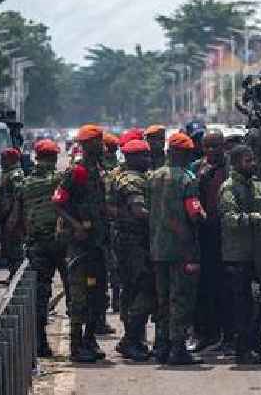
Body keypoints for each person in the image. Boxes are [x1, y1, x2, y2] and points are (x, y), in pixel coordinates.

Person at [146, 132, 205, 365]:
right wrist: (203, 216)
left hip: (158, 247)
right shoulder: (187, 180)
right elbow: (194, 213)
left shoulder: (154, 176)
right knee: (180, 299)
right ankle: (178, 349)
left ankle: (161, 346)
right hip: (182, 249)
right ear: (181, 153)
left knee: (162, 299)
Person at [53, 125, 108, 363]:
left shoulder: (98, 169)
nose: (101, 146)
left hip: (97, 242)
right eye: (97, 142)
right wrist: (75, 226)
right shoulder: (77, 172)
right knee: (79, 295)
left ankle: (89, 339)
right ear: (87, 145)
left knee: (97, 293)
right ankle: (76, 345)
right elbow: (58, 203)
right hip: (79, 245)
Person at [218, 145, 261, 365]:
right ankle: (242, 350)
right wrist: (255, 219)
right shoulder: (229, 188)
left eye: (253, 159)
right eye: (247, 160)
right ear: (235, 163)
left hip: (260, 254)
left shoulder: (257, 185)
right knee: (243, 305)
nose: (252, 164)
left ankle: (255, 340)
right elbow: (230, 219)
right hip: (237, 254)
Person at [14, 139, 67, 357]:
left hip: (37, 244)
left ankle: (40, 343)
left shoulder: (24, 184)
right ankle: (81, 342)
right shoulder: (59, 179)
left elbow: (16, 217)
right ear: (54, 158)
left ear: (36, 157)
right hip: (62, 242)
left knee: (41, 294)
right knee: (75, 291)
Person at [114, 139, 155, 362]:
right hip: (133, 243)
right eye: (144, 155)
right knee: (146, 288)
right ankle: (130, 339)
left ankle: (133, 339)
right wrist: (161, 220)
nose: (148, 159)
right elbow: (139, 211)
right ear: (133, 158)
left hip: (131, 241)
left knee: (131, 291)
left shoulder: (131, 176)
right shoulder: (131, 180)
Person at [192, 130, 232, 353]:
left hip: (226, 234)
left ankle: (228, 335)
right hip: (205, 233)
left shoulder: (230, 170)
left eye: (215, 146)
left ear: (223, 146)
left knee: (227, 288)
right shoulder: (198, 169)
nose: (210, 151)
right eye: (206, 147)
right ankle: (205, 334)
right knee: (204, 287)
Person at [0, 148, 26, 285]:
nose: (2, 161)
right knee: (7, 249)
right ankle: (13, 275)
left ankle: (17, 277)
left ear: (12, 159)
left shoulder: (16, 174)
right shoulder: (5, 174)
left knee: (15, 249)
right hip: (5, 218)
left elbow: (19, 196)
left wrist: (14, 217)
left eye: (4, 158)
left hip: (12, 219)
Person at [97, 132, 121, 336]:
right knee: (115, 267)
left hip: (99, 228)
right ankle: (117, 300)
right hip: (114, 225)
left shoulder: (96, 168)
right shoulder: (117, 169)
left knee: (99, 273)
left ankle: (99, 316)